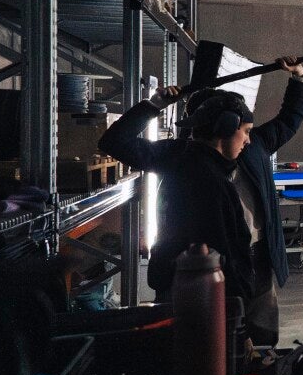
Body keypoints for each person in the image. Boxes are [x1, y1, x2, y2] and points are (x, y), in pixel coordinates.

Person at [100, 82, 264, 325]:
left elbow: (113, 142)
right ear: (226, 127)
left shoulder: (176, 155)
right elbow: (228, 253)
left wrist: (154, 106)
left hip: (174, 286)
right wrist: (240, 318)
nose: (248, 141)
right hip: (208, 298)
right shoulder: (214, 181)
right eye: (246, 131)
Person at [181, 60, 303, 346]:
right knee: (221, 333)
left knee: (262, 328)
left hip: (258, 251)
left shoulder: (255, 145)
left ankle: (262, 361)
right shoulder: (191, 161)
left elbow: (289, 118)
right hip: (215, 258)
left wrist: (298, 78)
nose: (246, 137)